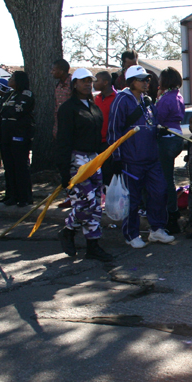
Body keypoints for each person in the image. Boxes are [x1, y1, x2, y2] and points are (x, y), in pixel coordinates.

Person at [108, 65, 175, 248]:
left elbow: (152, 123)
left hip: (152, 159)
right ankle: (131, 234)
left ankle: (157, 229)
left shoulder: (147, 101)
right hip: (132, 160)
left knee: (159, 192)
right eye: (141, 79)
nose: (146, 82)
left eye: (147, 79)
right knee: (133, 198)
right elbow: (114, 130)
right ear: (131, 82)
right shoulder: (122, 100)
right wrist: (117, 157)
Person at [56, 68, 113, 262]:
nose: (88, 84)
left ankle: (93, 245)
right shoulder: (67, 109)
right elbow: (63, 140)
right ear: (74, 84)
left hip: (94, 159)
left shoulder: (93, 106)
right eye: (83, 81)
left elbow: (97, 137)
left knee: (95, 203)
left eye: (90, 80)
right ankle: (68, 230)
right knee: (85, 202)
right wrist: (65, 172)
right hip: (76, 160)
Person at [154, 66, 185, 236]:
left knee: (166, 180)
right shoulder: (177, 96)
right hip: (177, 138)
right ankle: (171, 213)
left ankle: (171, 216)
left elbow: (156, 119)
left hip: (166, 139)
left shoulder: (166, 99)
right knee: (169, 177)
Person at [1, 70, 35, 207]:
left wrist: (8, 111)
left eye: (12, 78)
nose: (9, 80)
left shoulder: (27, 95)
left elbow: (17, 110)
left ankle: (24, 197)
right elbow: (1, 111)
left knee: (20, 166)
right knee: (9, 166)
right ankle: (11, 195)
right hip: (6, 134)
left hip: (19, 134)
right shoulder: (9, 95)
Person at [93, 71, 116, 187]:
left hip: (110, 143)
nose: (94, 83)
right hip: (97, 142)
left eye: (97, 80)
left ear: (106, 82)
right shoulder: (96, 98)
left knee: (108, 174)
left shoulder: (117, 98)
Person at [51, 58, 71, 139]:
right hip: (60, 126)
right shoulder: (58, 85)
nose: (51, 72)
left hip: (71, 126)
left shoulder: (73, 84)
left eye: (53, 70)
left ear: (61, 71)